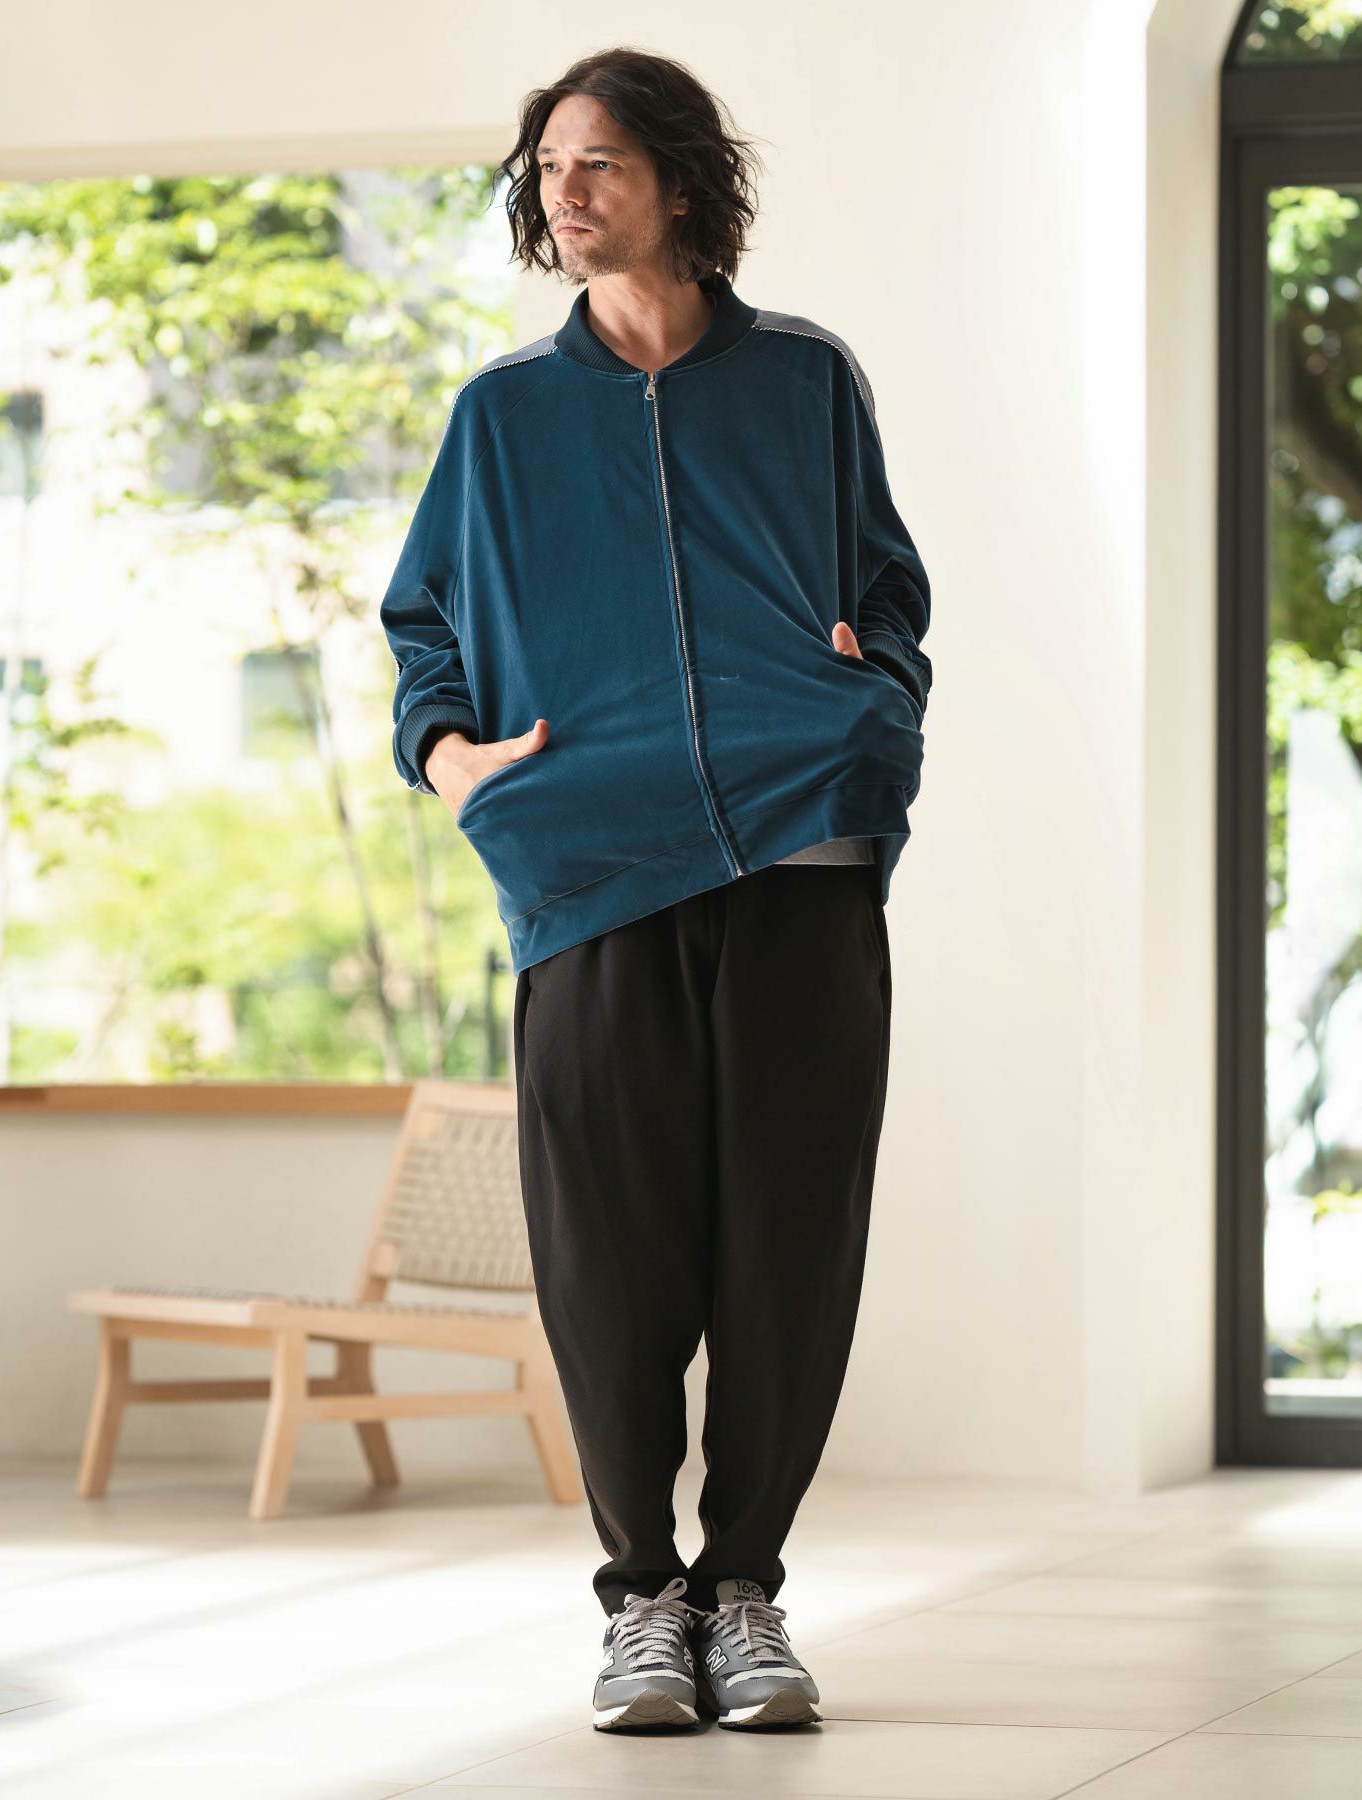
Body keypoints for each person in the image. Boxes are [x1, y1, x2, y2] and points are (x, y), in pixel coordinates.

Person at [380, 45, 933, 1733]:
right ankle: (643, 1604)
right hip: (593, 876)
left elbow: (889, 593)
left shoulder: (805, 379)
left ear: (682, 184)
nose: (563, 191)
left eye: (598, 163)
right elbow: (424, 628)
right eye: (547, 167)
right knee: (611, 1268)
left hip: (797, 859)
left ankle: (745, 1592)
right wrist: (454, 761)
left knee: (787, 1248)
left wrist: (868, 701)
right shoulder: (502, 418)